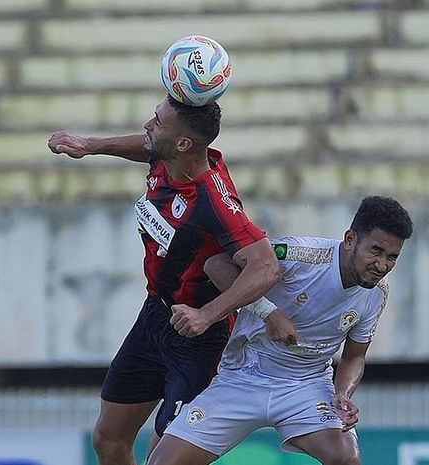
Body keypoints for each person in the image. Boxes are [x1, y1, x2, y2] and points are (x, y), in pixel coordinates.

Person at [48, 94, 287, 465]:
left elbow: (266, 266)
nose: (147, 125)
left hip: (198, 339)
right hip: (155, 317)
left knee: (165, 459)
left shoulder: (215, 203)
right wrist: (90, 146)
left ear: (182, 144)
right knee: (108, 441)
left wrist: (207, 314)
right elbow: (147, 147)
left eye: (157, 122)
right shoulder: (167, 157)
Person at [147, 196, 414, 465]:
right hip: (243, 377)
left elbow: (354, 357)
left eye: (392, 257)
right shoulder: (300, 255)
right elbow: (216, 265)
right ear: (350, 239)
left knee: (347, 459)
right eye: (376, 251)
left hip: (305, 386)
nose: (382, 265)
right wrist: (269, 313)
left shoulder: (377, 293)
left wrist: (342, 394)